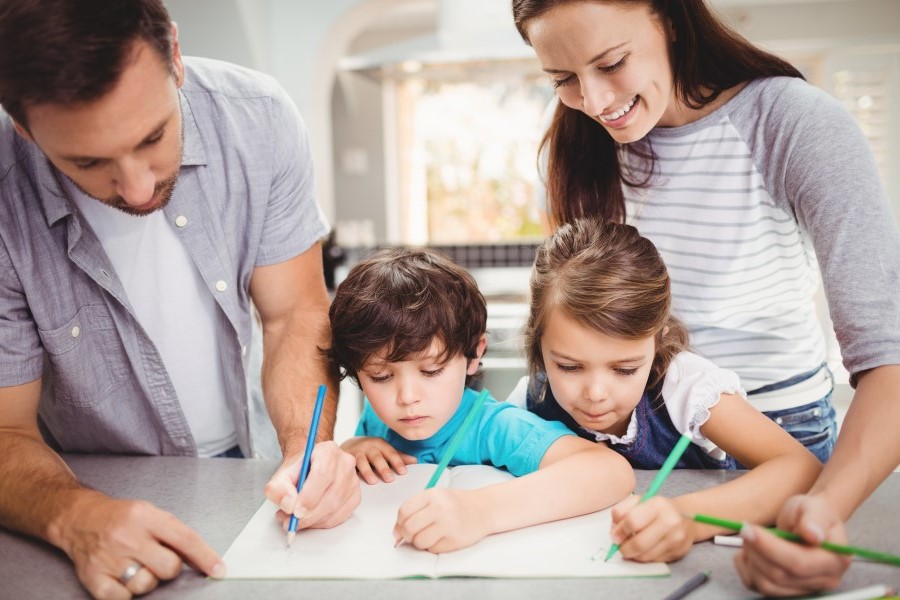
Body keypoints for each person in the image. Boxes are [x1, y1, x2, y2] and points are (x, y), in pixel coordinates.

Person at [511, 0, 900, 593]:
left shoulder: (792, 123)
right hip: (632, 430)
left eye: (611, 62)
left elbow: (889, 359)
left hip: (776, 443)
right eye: (563, 78)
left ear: (669, 16)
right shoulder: (576, 141)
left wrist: (823, 512)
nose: (592, 100)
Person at [0, 1, 359, 598]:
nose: (138, 187)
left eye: (153, 136)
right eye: (87, 162)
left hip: (254, 468)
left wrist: (308, 448)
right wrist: (71, 516)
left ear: (174, 54)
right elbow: (5, 430)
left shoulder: (259, 119)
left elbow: (293, 312)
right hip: (78, 489)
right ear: (25, 128)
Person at [512, 217, 822, 562]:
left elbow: (802, 469)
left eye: (625, 369)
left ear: (658, 340)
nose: (596, 393)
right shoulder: (530, 398)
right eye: (569, 367)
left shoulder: (686, 387)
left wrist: (688, 519)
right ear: (538, 341)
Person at [327, 247, 635, 553]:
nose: (407, 398)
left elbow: (609, 471)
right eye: (381, 377)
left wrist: (480, 511)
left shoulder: (494, 425)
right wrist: (351, 449)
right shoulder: (375, 419)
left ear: (474, 353)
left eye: (431, 370)